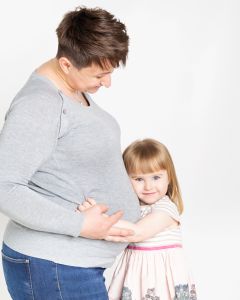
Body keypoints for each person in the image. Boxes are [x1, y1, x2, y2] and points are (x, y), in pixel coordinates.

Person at [0, 6, 140, 300]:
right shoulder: (39, 104)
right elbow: (4, 187)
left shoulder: (71, 88)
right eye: (100, 74)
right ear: (66, 64)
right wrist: (80, 224)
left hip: (70, 266)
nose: (107, 82)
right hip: (54, 266)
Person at [79, 138, 197, 300]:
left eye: (156, 177)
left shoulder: (166, 208)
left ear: (169, 177)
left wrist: (95, 219)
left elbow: (137, 232)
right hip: (134, 280)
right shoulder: (133, 209)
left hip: (161, 283)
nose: (148, 186)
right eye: (139, 179)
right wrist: (93, 215)